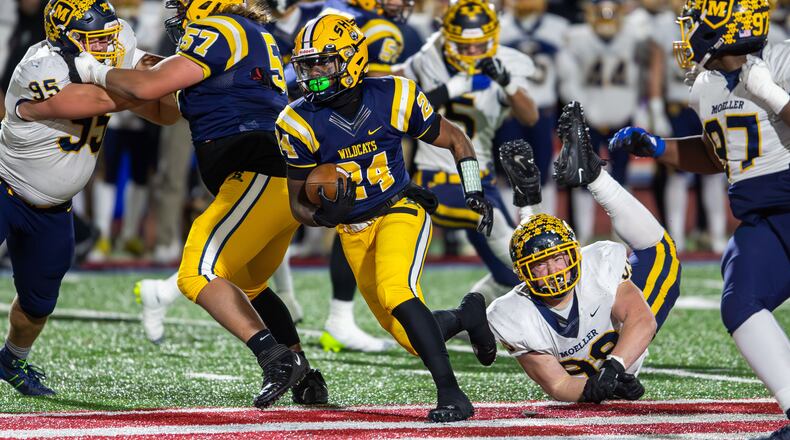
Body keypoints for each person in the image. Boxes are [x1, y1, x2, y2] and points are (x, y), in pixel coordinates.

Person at [75, 0, 326, 408]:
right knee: (249, 284)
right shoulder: (247, 34)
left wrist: (93, 70)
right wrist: (122, 83)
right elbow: (165, 110)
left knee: (196, 274)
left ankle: (274, 359)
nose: (177, 12)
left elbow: (148, 88)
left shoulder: (220, 29)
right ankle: (305, 375)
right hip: (273, 178)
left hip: (257, 172)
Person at [277, 14, 496, 422]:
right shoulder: (296, 120)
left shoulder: (393, 94)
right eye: (307, 65)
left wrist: (473, 189)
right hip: (352, 229)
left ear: (353, 59)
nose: (313, 73)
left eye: (324, 62)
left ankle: (452, 394)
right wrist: (325, 218)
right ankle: (469, 315)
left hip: (400, 208)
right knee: (408, 336)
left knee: (397, 291)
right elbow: (297, 206)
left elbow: (456, 139)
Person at [609, 0, 790, 420]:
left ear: (725, 25)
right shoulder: (705, 85)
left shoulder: (781, 59)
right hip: (762, 214)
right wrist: (657, 147)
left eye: (696, 20)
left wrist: (772, 94)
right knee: (741, 300)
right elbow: (716, 153)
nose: (688, 28)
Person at [0, 0, 179, 395]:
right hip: (5, 186)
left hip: (53, 209)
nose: (107, 46)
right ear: (64, 38)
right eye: (94, 40)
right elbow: (99, 101)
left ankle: (11, 361)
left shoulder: (116, 44)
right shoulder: (39, 66)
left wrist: (159, 83)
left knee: (38, 305)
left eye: (109, 36)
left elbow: (165, 114)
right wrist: (158, 78)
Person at [487, 101, 681, 403]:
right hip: (602, 372)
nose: (553, 269)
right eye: (540, 266)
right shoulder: (512, 313)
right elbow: (559, 385)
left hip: (620, 351)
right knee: (661, 250)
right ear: (522, 274)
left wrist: (614, 368)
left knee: (660, 252)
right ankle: (565, 187)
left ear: (575, 253)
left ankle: (589, 178)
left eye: (557, 258)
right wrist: (599, 386)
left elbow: (642, 320)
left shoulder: (596, 266)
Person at [394, 0, 539, 302]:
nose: (473, 53)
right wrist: (451, 88)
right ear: (448, 39)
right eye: (464, 46)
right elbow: (398, 106)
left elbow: (530, 117)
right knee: (514, 246)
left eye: (479, 46)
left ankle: (465, 322)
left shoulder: (509, 63)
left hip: (481, 178)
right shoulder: (428, 57)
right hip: (437, 178)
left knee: (506, 276)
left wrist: (508, 84)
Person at [318, 0, 416, 353]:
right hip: (326, 129)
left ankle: (335, 318)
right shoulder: (377, 29)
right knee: (351, 212)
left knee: (271, 233)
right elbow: (375, 95)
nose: (400, 3)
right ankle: (177, 285)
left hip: (302, 121)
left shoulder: (331, 18)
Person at [556, 0, 644, 244]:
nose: (607, 19)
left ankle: (624, 233)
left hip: (622, 114)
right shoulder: (576, 37)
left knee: (623, 176)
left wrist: (641, 107)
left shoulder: (634, 34)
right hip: (588, 118)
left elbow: (643, 75)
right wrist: (581, 109)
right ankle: (582, 235)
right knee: (583, 175)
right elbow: (568, 78)